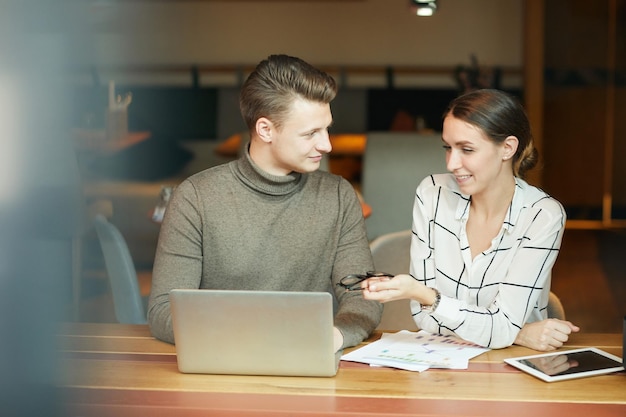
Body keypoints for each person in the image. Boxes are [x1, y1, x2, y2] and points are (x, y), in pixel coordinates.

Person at [147, 54, 382, 351]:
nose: (327, 145)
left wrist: (333, 336)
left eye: (326, 129)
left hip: (306, 359)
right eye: (310, 133)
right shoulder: (195, 197)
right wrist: (256, 343)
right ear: (265, 130)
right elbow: (163, 311)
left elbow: (362, 298)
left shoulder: (339, 196)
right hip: (219, 368)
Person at [362, 89, 579, 351]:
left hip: (514, 366)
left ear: (508, 148)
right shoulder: (432, 193)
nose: (452, 163)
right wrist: (518, 333)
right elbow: (424, 319)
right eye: (448, 147)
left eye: (466, 149)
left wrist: (427, 296)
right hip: (446, 361)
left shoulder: (542, 216)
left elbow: (496, 328)